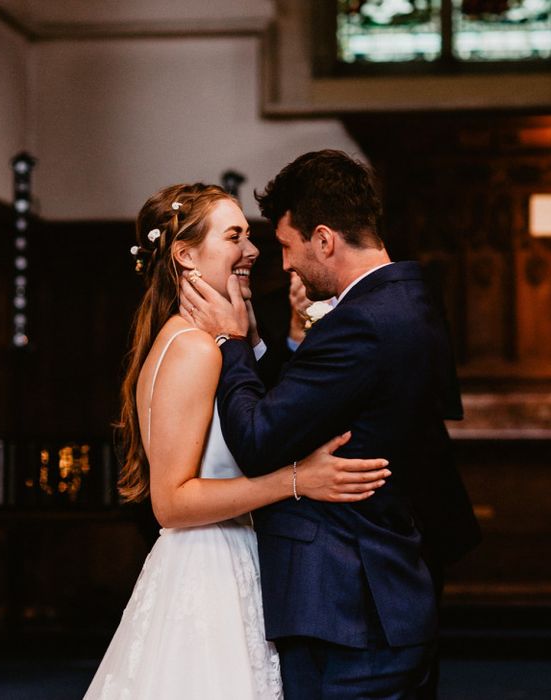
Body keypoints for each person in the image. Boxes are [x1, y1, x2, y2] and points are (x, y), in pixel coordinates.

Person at [180, 151, 481, 700]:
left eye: (289, 248)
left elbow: (259, 440)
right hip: (377, 591)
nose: (286, 266)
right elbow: (315, 399)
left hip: (348, 605)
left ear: (324, 240)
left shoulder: (362, 323)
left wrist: (231, 342)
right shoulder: (408, 298)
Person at [83, 183, 392, 700]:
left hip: (229, 556)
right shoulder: (194, 349)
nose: (252, 251)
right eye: (234, 237)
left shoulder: (196, 341)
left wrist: (253, 340)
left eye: (249, 236)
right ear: (184, 255)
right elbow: (173, 502)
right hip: (208, 573)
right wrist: (297, 480)